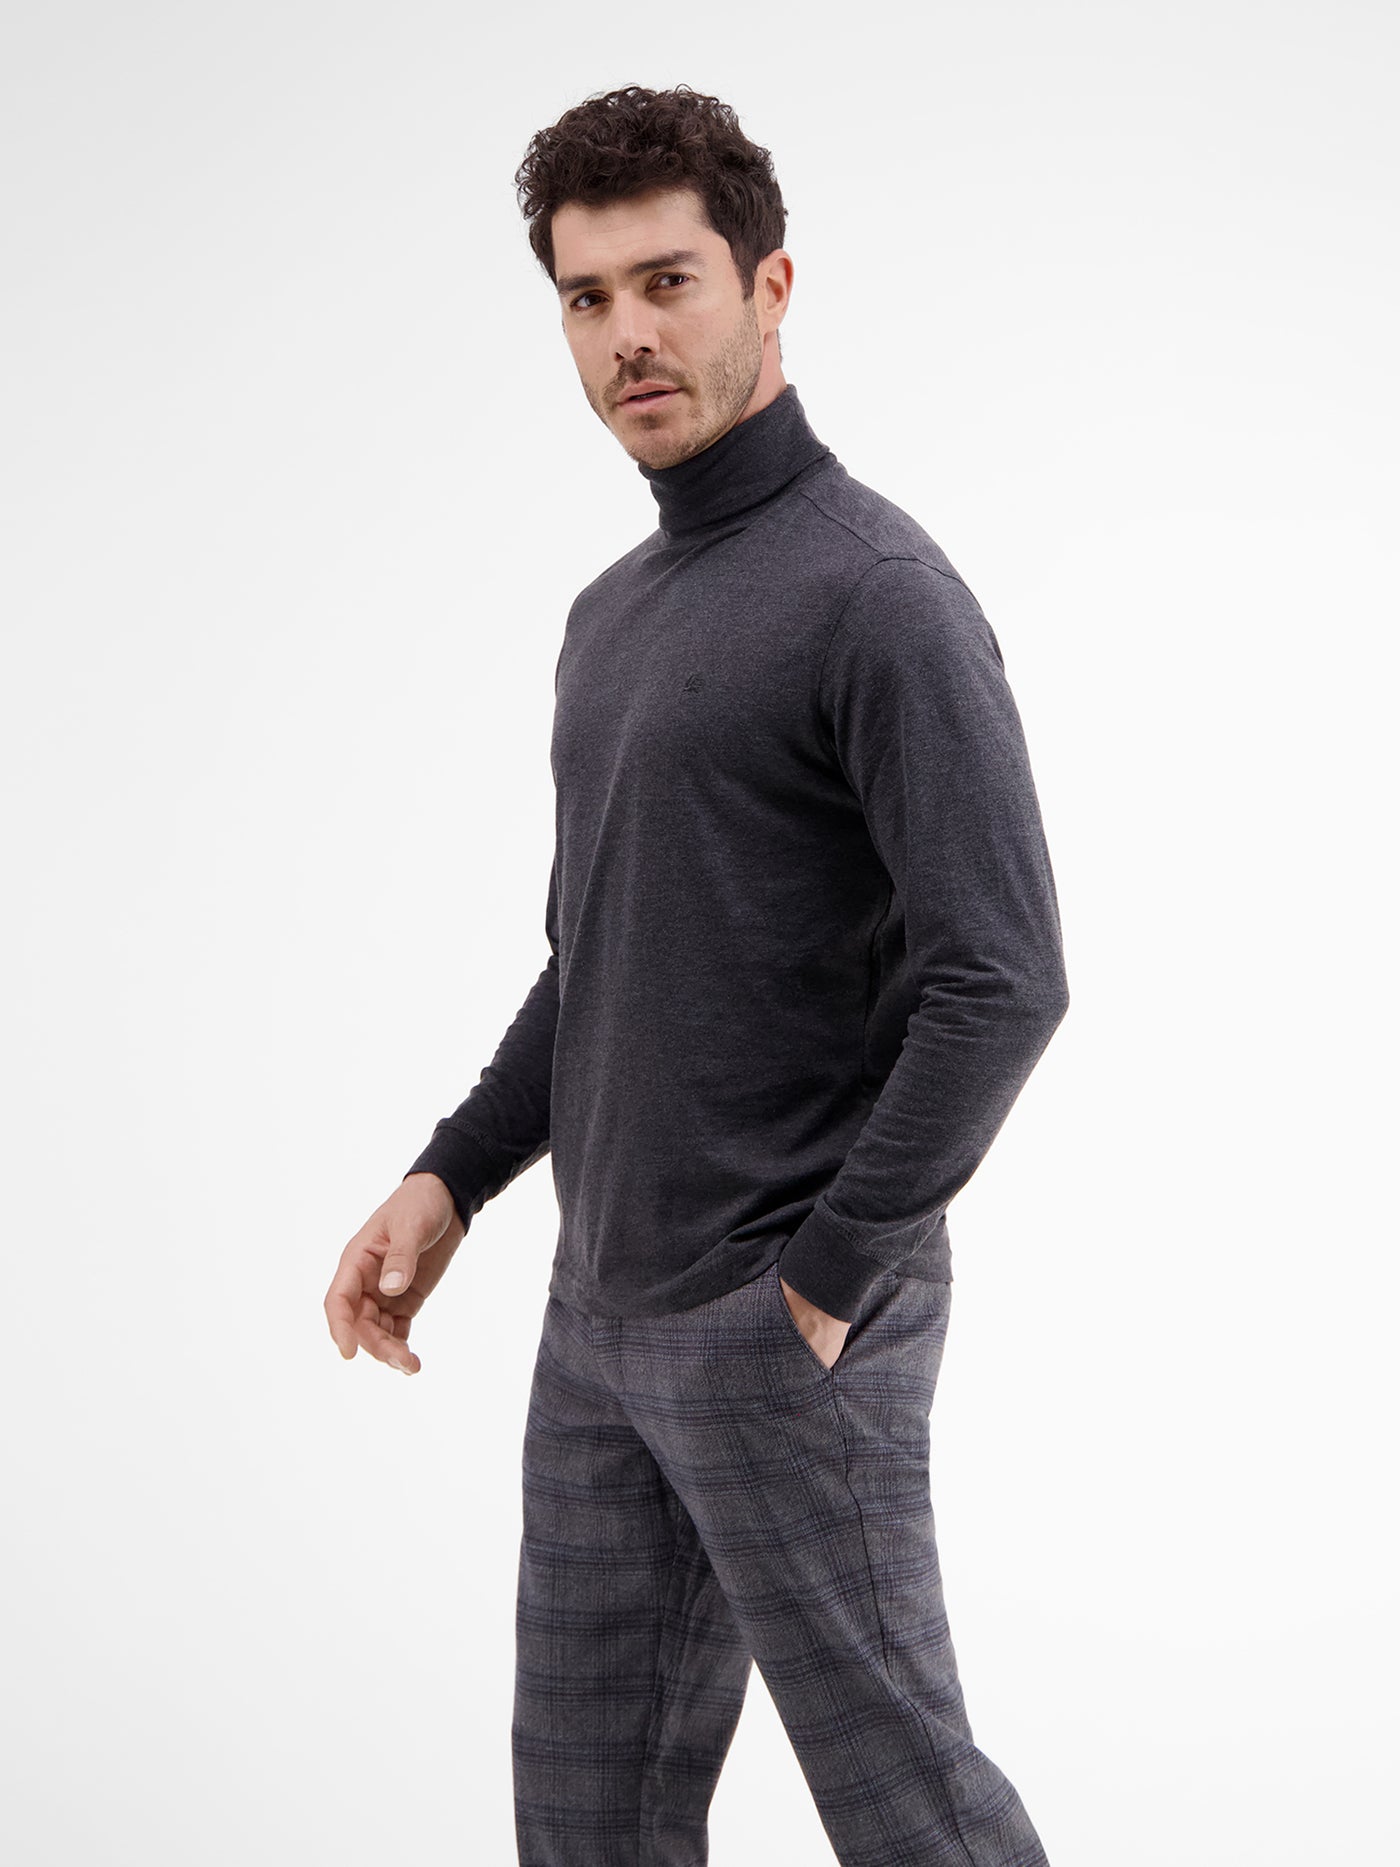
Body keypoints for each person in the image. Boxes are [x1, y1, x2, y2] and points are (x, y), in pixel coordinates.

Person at [324, 82, 1069, 1867]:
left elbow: (1004, 976)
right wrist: (451, 1175)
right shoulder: (611, 618)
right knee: (586, 1824)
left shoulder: (878, 594)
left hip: (783, 1320)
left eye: (668, 282)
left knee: (913, 1816)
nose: (628, 337)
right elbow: (598, 954)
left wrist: (826, 1280)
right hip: (599, 1320)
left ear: (770, 285)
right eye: (587, 299)